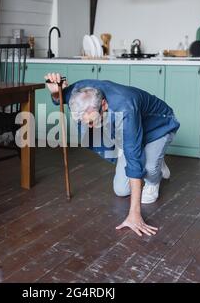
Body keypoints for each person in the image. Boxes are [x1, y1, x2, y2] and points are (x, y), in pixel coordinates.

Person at [45, 73, 180, 237]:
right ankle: (154, 158)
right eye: (85, 122)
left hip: (160, 126)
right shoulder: (77, 91)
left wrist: (134, 214)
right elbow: (59, 97)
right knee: (121, 190)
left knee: (147, 167)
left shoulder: (125, 107)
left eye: (92, 121)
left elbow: (133, 159)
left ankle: (155, 169)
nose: (90, 126)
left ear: (104, 104)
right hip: (134, 130)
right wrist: (54, 91)